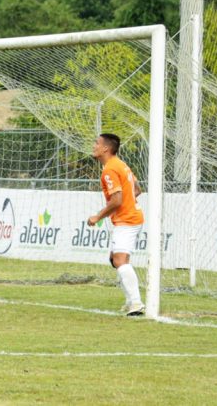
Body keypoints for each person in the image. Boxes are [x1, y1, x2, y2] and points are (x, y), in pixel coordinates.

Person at [87, 133, 145, 316]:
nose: (94, 146)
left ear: (106, 148)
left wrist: (97, 217)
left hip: (127, 220)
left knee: (119, 261)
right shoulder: (121, 164)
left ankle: (136, 303)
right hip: (132, 217)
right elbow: (137, 189)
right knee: (117, 260)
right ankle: (131, 302)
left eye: (96, 143)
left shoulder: (109, 169)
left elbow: (117, 200)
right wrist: (129, 201)